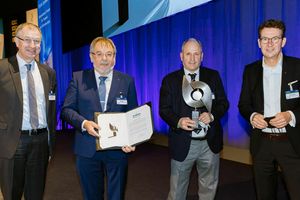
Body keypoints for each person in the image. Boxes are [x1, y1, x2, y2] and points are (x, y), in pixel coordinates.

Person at [61, 37, 137, 200]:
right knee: (92, 196)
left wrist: (132, 139)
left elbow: (132, 115)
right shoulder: (79, 78)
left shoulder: (126, 81)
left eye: (109, 54)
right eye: (100, 54)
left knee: (117, 196)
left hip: (118, 150)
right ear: (91, 56)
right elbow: (66, 110)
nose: (104, 59)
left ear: (114, 58)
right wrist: (84, 123)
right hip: (87, 149)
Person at [159, 38, 229, 200]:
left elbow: (223, 103)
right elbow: (164, 110)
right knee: (177, 190)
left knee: (209, 188)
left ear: (202, 56)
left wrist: (212, 115)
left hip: (209, 143)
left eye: (196, 54)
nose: (192, 58)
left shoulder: (213, 76)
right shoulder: (170, 80)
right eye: (188, 54)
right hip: (182, 142)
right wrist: (179, 121)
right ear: (181, 56)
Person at [238, 19, 300, 200]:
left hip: (291, 142)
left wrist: (290, 116)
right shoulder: (250, 71)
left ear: (283, 41)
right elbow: (243, 104)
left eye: (275, 38)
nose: (270, 43)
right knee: (264, 195)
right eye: (265, 39)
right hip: (262, 142)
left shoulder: (297, 68)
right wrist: (252, 115)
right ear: (258, 43)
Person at [0, 22, 56, 200]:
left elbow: (51, 110)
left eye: (37, 41)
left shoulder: (48, 72)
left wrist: (50, 143)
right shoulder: (2, 69)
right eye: (28, 40)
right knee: (11, 194)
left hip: (40, 142)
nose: (33, 46)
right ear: (17, 42)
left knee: (36, 194)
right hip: (12, 142)